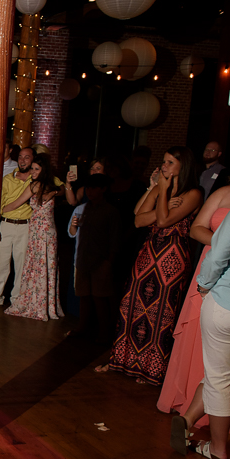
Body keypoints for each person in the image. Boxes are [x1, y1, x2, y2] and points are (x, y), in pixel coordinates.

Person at [96, 147, 204, 384]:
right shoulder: (160, 187)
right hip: (148, 252)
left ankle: (150, 370)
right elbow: (137, 218)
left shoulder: (194, 193)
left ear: (182, 166)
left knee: (160, 311)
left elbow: (164, 221)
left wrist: (162, 195)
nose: (163, 166)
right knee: (131, 304)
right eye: (163, 161)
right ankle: (122, 360)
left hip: (172, 256)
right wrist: (158, 192)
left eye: (169, 162)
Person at [158, 151, 230, 435]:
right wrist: (224, 246)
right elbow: (196, 228)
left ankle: (217, 421)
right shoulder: (223, 193)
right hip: (211, 268)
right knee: (204, 338)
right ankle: (188, 410)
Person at [4, 154, 64, 321]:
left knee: (48, 266)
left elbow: (64, 191)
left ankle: (46, 305)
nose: (33, 171)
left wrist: (55, 191)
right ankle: (34, 302)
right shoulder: (33, 186)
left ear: (44, 170)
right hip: (36, 231)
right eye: (32, 168)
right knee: (35, 266)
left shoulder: (52, 185)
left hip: (49, 232)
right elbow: (15, 203)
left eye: (36, 169)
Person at [66, 174, 121, 342]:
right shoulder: (81, 209)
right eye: (88, 188)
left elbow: (114, 239)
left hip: (100, 261)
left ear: (103, 189)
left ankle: (104, 331)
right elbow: (71, 233)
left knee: (100, 297)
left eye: (94, 188)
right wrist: (74, 226)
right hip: (82, 260)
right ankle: (82, 327)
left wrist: (109, 262)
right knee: (84, 296)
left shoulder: (110, 212)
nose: (90, 191)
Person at [0, 147, 35, 306]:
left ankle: (17, 300)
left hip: (25, 226)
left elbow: (57, 188)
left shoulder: (36, 178)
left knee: (22, 264)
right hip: (6, 224)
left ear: (33, 159)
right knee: (1, 264)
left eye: (27, 157)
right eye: (21, 157)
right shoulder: (7, 179)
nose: (23, 160)